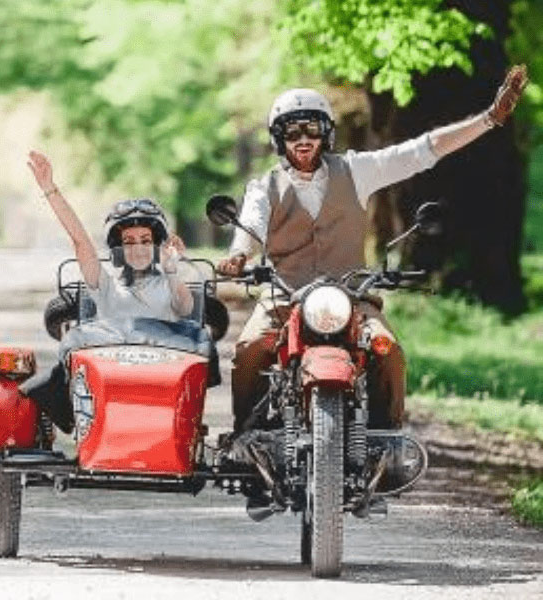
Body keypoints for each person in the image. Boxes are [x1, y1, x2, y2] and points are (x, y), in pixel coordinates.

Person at [218, 65, 529, 433]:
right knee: (250, 348)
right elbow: (251, 226)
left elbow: (420, 151)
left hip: (351, 297)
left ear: (327, 133)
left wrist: (488, 119)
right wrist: (240, 255)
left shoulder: (356, 170)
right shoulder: (264, 187)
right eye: (292, 131)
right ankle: (245, 437)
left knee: (388, 350)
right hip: (283, 297)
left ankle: (388, 439)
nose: (303, 139)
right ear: (278, 138)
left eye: (312, 129)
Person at [20, 150, 195, 431]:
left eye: (145, 239)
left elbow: (186, 308)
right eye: (128, 241)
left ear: (157, 244)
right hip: (110, 379)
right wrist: (49, 188)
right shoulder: (106, 283)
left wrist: (173, 269)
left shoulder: (169, 282)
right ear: (118, 248)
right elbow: (80, 241)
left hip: (162, 381)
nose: (137, 247)